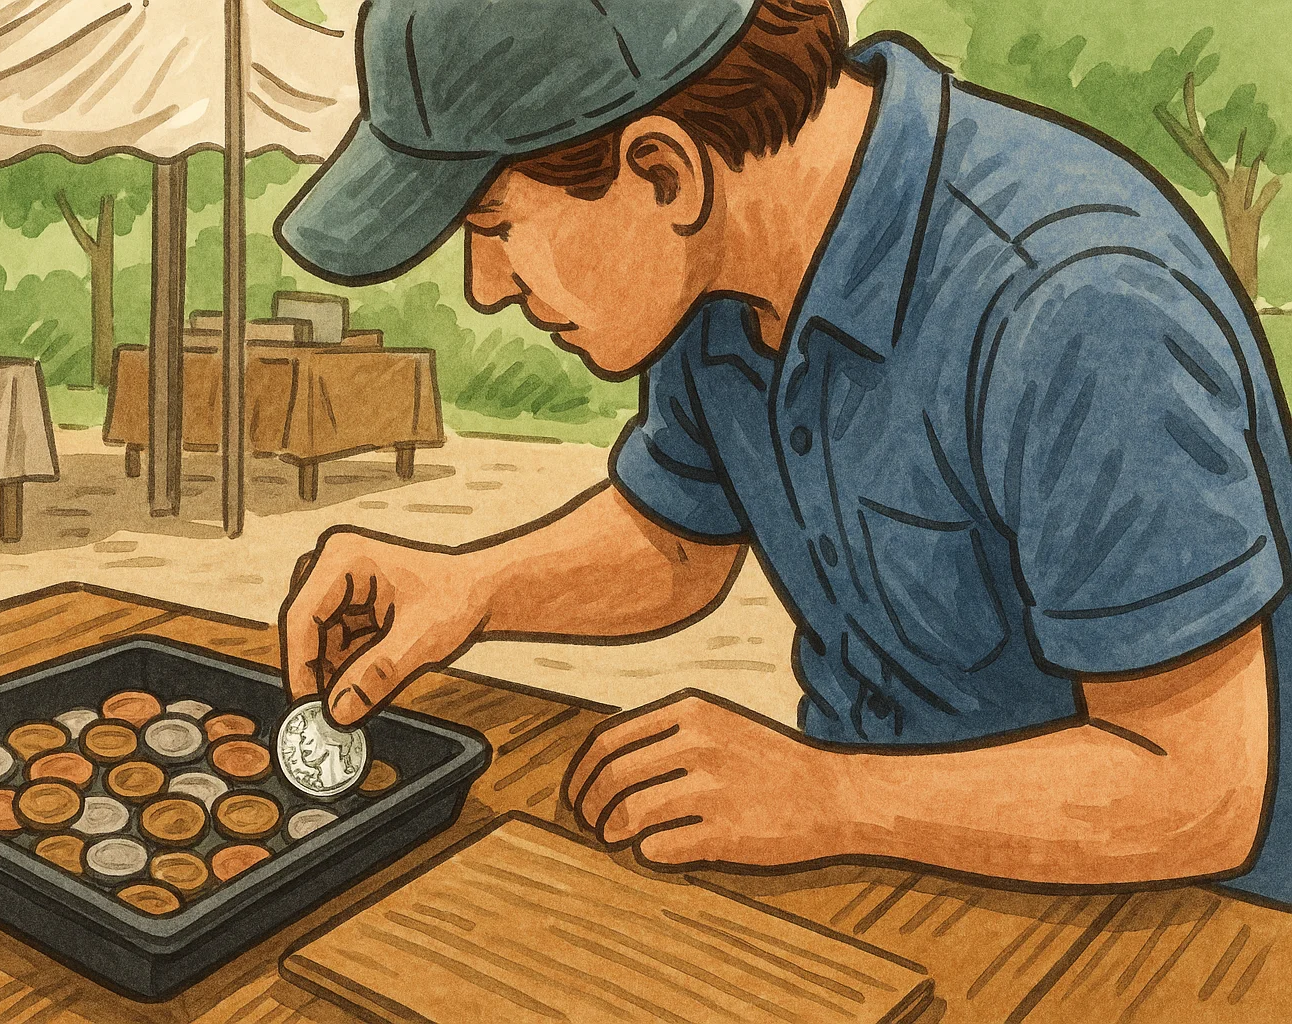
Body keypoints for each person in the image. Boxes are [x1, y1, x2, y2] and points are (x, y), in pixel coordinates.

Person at [273, 0, 1292, 901]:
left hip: (1172, 923)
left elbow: (1196, 788)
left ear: (664, 171)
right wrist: (475, 587)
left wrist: (829, 796)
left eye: (492, 222)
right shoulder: (713, 264)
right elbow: (678, 541)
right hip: (867, 863)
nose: (484, 286)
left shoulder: (1077, 304)